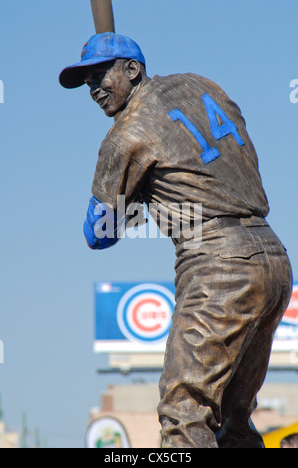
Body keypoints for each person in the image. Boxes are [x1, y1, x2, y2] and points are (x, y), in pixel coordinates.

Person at [59, 32, 293, 448]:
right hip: (273, 260)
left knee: (184, 414)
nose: (94, 89)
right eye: (87, 82)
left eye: (101, 75)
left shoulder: (126, 132)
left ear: (132, 70)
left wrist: (133, 193)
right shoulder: (200, 85)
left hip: (218, 265)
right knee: (233, 422)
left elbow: (99, 235)